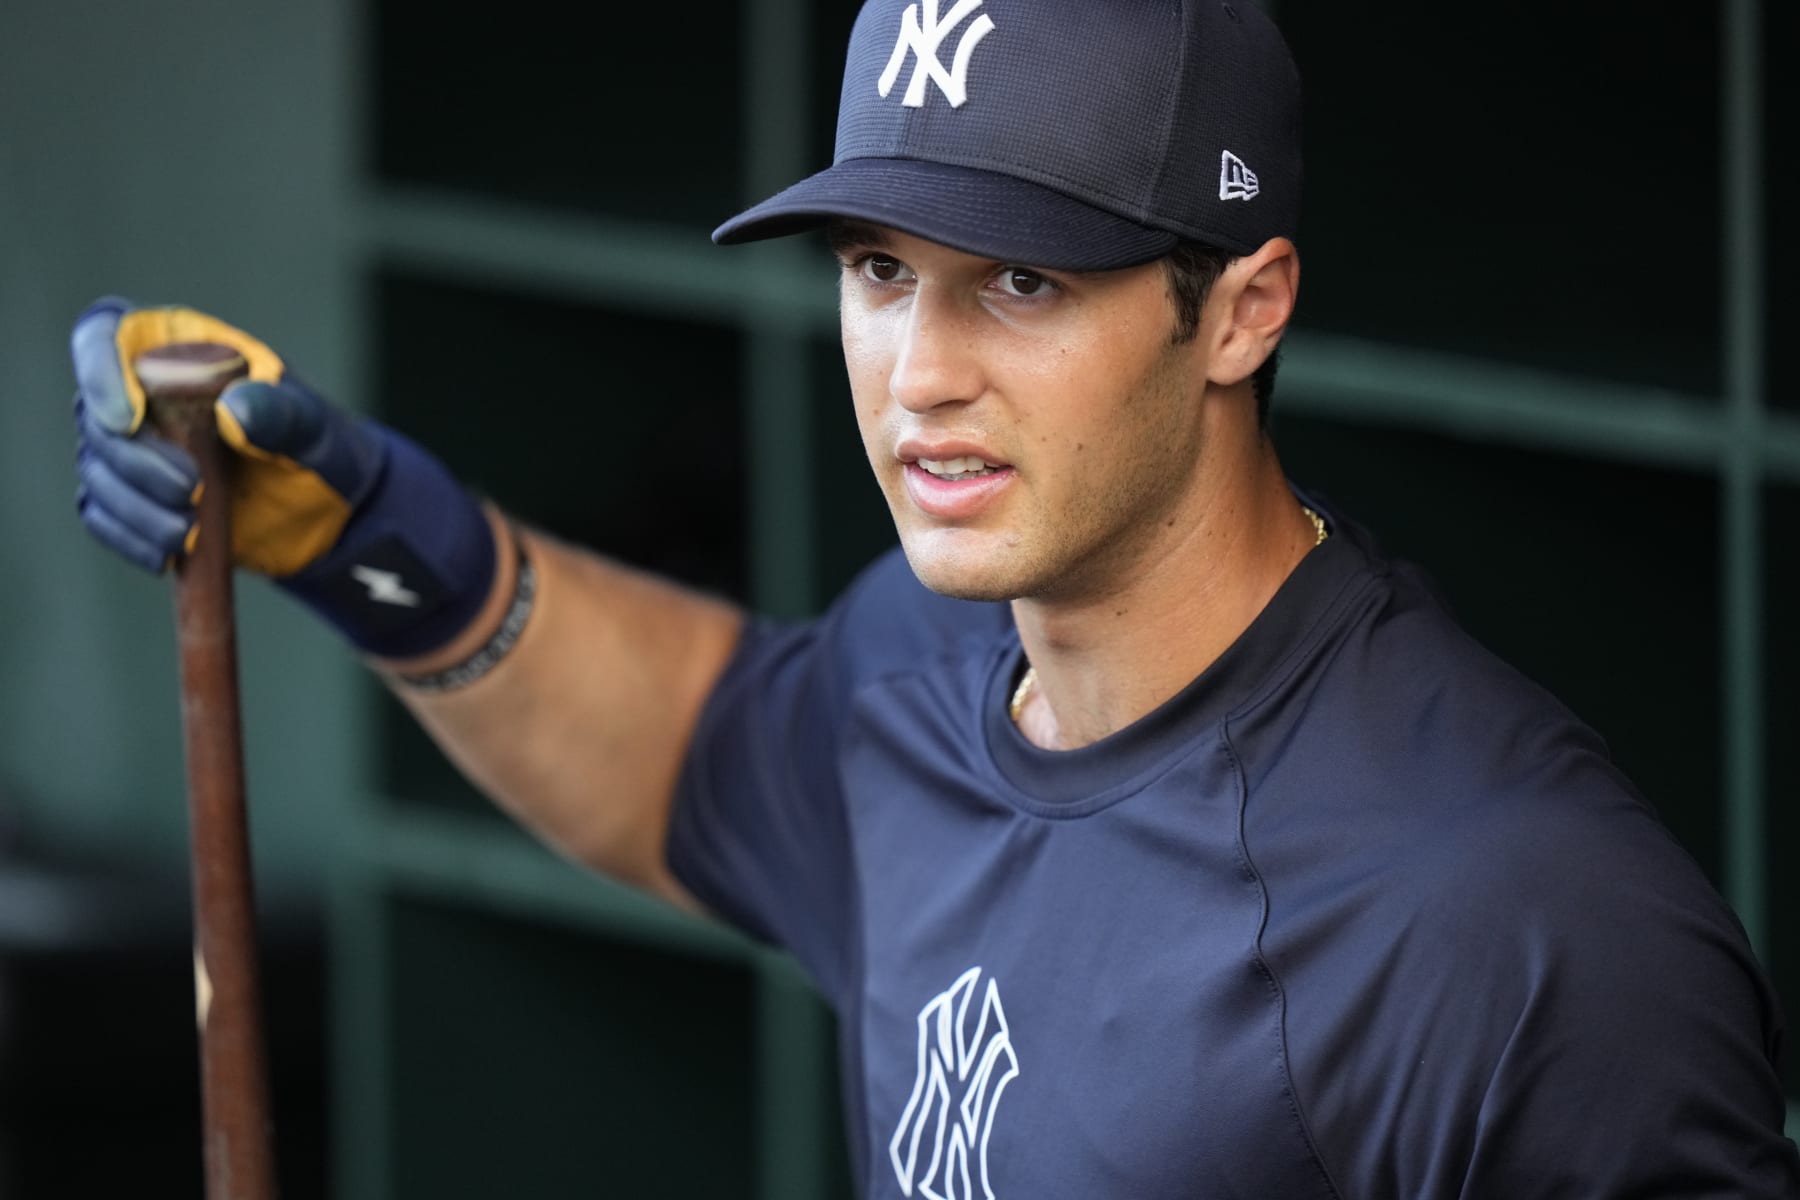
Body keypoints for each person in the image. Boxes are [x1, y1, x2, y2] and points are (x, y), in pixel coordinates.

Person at [68, 0, 1799, 1195]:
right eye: (881, 272)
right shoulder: (929, 660)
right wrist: (369, 536)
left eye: (1022, 282)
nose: (918, 375)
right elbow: (696, 748)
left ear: (1245, 308)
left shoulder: (1513, 927)